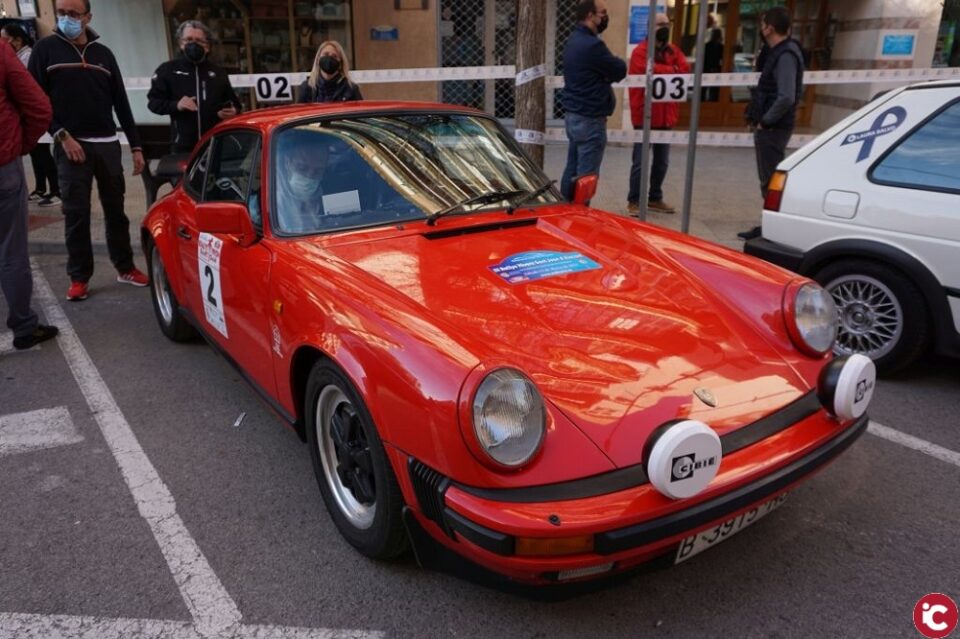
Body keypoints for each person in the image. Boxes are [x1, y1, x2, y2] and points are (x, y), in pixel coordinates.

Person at [29, 0, 150, 301]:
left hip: (107, 144)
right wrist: (61, 135)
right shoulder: (45, 51)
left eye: (73, 14)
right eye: (61, 13)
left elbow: (121, 101)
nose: (66, 19)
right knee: (76, 213)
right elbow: (35, 102)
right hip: (70, 146)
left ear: (87, 17)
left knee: (116, 211)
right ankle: (79, 276)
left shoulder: (103, 54)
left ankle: (125, 267)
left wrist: (135, 146)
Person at [1, 40, 59, 350]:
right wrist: (20, 145)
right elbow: (39, 106)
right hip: (3, 166)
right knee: (11, 252)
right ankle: (23, 325)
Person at [739, 6, 804, 241]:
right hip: (771, 126)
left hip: (774, 128)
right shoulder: (776, 51)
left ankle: (772, 229)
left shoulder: (786, 55)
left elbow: (786, 95)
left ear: (770, 27)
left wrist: (766, 122)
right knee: (767, 180)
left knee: (770, 181)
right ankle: (768, 226)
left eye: (763, 23)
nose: (760, 28)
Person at [559, 0, 626, 201]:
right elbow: (619, 69)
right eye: (602, 13)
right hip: (590, 120)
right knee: (586, 177)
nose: (605, 17)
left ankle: (565, 211)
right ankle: (580, 217)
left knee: (572, 169)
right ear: (590, 15)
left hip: (574, 116)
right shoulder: (593, 45)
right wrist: (611, 68)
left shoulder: (573, 40)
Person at [625, 11, 689, 215]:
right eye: (659, 24)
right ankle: (633, 200)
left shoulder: (674, 51)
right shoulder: (640, 52)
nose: (664, 27)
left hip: (666, 116)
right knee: (640, 161)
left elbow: (684, 71)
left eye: (666, 23)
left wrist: (660, 69)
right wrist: (671, 70)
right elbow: (645, 71)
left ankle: (655, 197)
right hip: (644, 115)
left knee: (662, 161)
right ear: (650, 27)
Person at [147, 20, 241, 153]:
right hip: (183, 146)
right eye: (189, 39)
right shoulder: (167, 70)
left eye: (198, 41)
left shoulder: (218, 73)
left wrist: (232, 111)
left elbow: (235, 104)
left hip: (215, 143)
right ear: (181, 43)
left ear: (207, 46)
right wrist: (176, 105)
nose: (193, 44)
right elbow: (154, 103)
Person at [1, 23, 60, 208]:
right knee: (37, 156)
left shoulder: (26, 57)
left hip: (27, 124)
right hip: (15, 137)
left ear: (18, 40)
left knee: (42, 155)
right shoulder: (10, 56)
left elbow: (37, 102)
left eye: (6, 37)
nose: (4, 41)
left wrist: (21, 141)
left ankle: (55, 190)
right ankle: (41, 187)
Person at [274, 132, 329, 233]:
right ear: (287, 163)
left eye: (318, 171)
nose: (309, 177)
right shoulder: (272, 202)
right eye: (302, 168)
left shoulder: (331, 191)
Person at [296, 40, 363, 104]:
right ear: (318, 58)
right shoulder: (307, 88)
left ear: (340, 61)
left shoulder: (350, 89)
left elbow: (360, 112)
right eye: (326, 54)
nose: (329, 58)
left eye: (334, 56)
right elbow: (299, 113)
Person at [703, 28, 723, 102]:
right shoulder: (707, 46)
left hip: (717, 71)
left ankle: (713, 101)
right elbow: (705, 59)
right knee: (704, 88)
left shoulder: (721, 47)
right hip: (707, 70)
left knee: (715, 90)